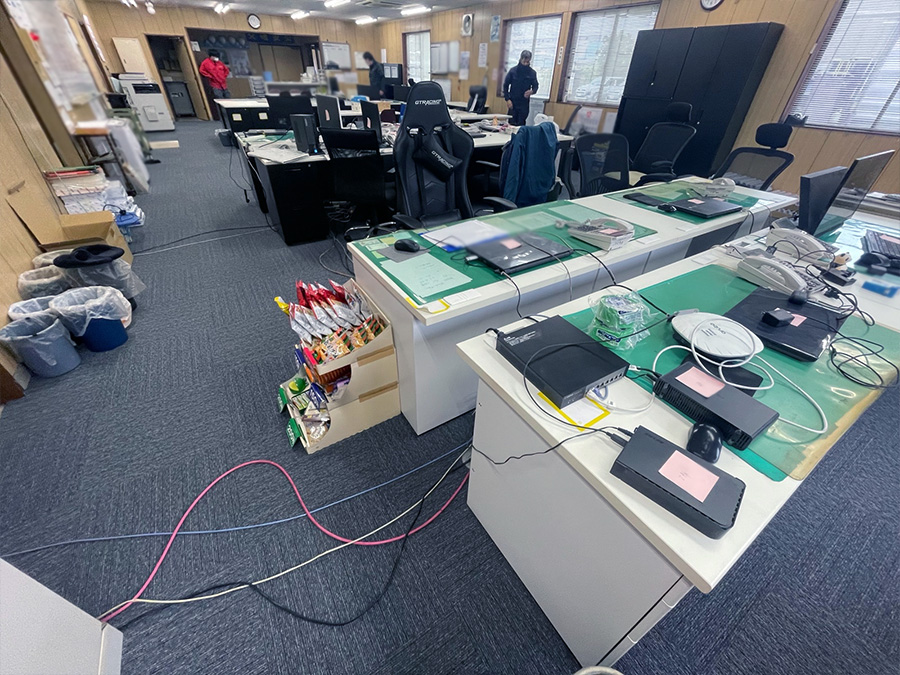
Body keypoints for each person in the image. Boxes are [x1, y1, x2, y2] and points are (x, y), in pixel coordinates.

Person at [503, 50, 539, 126]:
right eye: (524, 61)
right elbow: (505, 86)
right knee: (511, 124)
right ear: (521, 59)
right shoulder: (513, 71)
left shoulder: (532, 73)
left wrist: (532, 91)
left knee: (521, 124)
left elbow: (535, 86)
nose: (525, 64)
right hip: (513, 102)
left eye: (527, 62)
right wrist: (507, 99)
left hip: (524, 104)